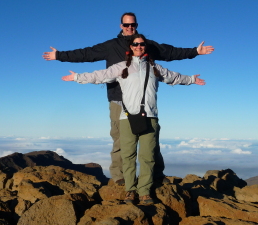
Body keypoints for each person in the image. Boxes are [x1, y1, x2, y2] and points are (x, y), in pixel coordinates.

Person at [43, 12, 214, 186]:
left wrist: (195, 52)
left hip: (144, 103)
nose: (130, 28)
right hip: (118, 99)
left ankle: (156, 174)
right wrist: (60, 56)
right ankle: (119, 176)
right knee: (119, 140)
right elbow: (86, 54)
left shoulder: (146, 45)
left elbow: (170, 52)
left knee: (151, 140)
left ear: (137, 26)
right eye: (126, 25)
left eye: (133, 25)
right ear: (121, 26)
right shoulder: (111, 46)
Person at [62, 34, 205, 205]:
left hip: (150, 117)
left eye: (142, 44)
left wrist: (192, 80)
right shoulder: (121, 67)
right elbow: (100, 75)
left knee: (147, 156)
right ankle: (130, 190)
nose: (139, 46)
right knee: (128, 155)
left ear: (145, 46)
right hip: (127, 117)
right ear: (130, 47)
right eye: (135, 44)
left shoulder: (155, 68)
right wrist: (78, 77)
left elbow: (174, 77)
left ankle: (144, 191)